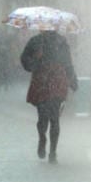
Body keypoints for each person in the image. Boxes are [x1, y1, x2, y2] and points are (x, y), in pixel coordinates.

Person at [20, 30, 78, 164]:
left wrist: (72, 78)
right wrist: (35, 63)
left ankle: (52, 151)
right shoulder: (36, 41)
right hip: (44, 80)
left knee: (53, 118)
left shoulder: (60, 41)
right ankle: (43, 139)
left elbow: (67, 62)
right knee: (45, 117)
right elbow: (24, 58)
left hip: (53, 81)